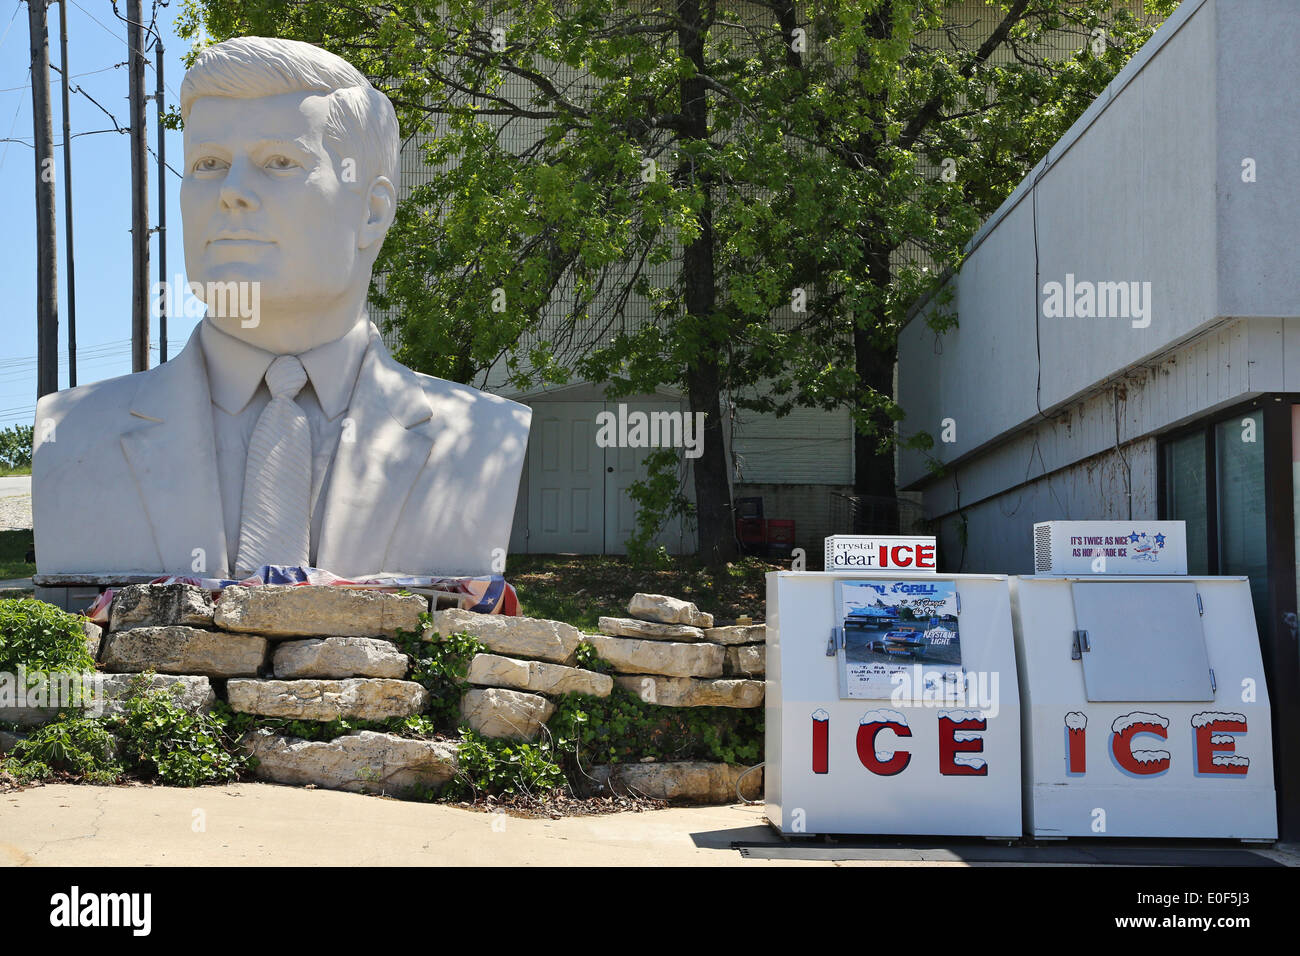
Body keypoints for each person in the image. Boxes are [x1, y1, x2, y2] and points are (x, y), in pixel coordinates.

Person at [33, 36, 531, 579]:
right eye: (208, 163)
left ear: (372, 211)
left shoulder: (485, 434)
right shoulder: (73, 433)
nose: (233, 191)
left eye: (279, 161)